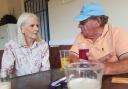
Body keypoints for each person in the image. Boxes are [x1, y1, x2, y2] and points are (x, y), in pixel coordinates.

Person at [70, 2, 128, 75]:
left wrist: (101, 67)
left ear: (98, 21)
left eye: (82, 22)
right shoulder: (81, 35)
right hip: (88, 80)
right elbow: (71, 56)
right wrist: (89, 64)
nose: (79, 26)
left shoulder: (117, 33)